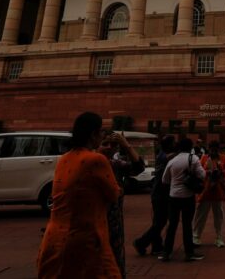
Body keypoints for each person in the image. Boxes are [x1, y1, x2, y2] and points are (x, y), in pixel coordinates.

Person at [38, 112, 122, 279]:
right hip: (85, 240)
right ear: (93, 135)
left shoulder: (64, 159)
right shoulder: (96, 159)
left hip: (54, 238)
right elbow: (114, 194)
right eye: (101, 132)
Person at [99, 132, 145, 278]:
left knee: (116, 261)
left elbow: (139, 167)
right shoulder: (90, 164)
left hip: (114, 222)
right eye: (104, 144)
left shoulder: (115, 165)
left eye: (112, 145)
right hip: (95, 221)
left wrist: (126, 145)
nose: (109, 148)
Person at [159, 138, 205, 262]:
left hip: (173, 196)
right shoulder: (193, 158)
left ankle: (166, 252)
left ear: (178, 147)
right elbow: (202, 175)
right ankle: (189, 253)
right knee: (187, 225)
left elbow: (165, 180)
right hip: (188, 196)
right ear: (190, 147)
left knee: (172, 225)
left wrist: (176, 181)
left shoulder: (172, 161)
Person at [134, 135, 176, 257]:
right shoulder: (164, 156)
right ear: (168, 145)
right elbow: (171, 157)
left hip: (159, 194)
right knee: (160, 222)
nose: (175, 145)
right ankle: (141, 242)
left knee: (158, 221)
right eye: (173, 143)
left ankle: (157, 246)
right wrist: (182, 152)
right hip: (160, 195)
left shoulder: (162, 155)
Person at [192, 141, 225, 249]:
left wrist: (220, 171)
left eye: (215, 149)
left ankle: (219, 237)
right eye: (211, 149)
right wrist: (208, 171)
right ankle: (196, 236)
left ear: (218, 149)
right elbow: (199, 171)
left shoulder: (223, 158)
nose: (213, 151)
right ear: (209, 149)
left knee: (219, 216)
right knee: (200, 215)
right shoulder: (204, 158)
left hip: (218, 191)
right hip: (205, 191)